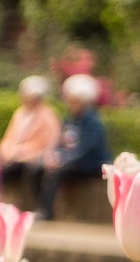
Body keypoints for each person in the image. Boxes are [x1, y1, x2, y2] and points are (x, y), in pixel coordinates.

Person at [38, 73, 111, 220]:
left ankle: (46, 212)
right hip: (73, 160)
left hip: (90, 164)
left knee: (57, 171)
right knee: (39, 167)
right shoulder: (70, 120)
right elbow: (62, 142)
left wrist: (63, 158)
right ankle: (39, 207)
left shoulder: (93, 122)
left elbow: (86, 149)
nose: (70, 104)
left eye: (74, 101)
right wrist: (54, 154)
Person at [0, 75, 60, 205]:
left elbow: (46, 144)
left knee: (31, 170)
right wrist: (7, 150)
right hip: (14, 157)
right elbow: (9, 136)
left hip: (34, 158)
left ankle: (38, 206)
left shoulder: (48, 116)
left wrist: (20, 152)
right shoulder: (19, 113)